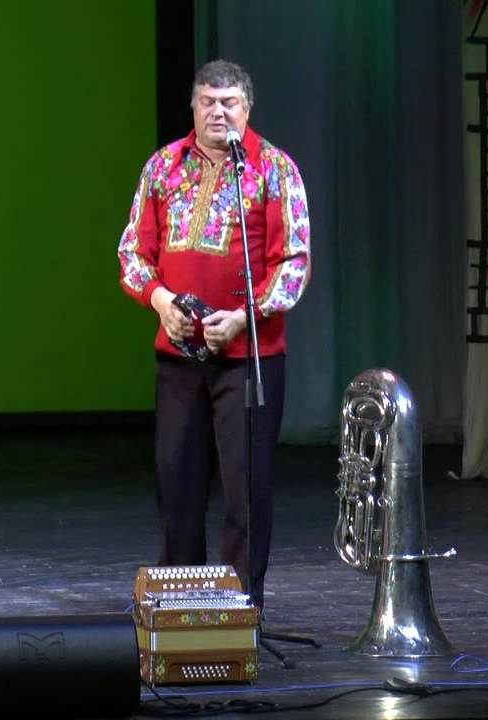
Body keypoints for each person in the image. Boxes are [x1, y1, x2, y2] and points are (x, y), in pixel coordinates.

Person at [116, 60, 311, 608]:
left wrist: (245, 316)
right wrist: (160, 300)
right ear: (193, 107)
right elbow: (132, 251)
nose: (217, 111)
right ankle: (179, 613)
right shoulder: (162, 168)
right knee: (177, 486)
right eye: (207, 101)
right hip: (178, 356)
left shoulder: (273, 169)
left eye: (229, 102)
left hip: (249, 357)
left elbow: (293, 262)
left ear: (247, 108)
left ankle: (239, 611)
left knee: (245, 492)